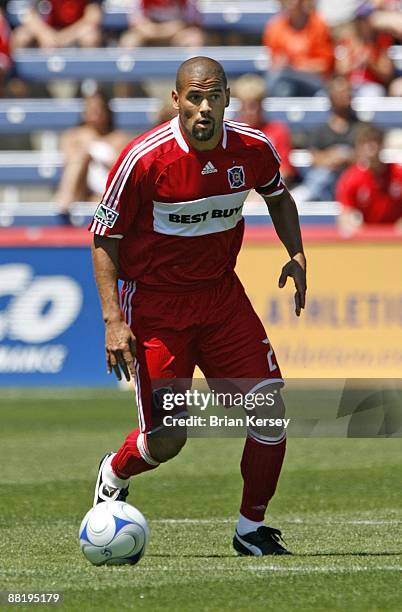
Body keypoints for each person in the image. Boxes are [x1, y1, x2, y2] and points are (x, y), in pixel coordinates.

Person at [89, 57, 307, 556]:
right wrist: (112, 320)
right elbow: (105, 237)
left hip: (221, 297)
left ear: (228, 98)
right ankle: (115, 468)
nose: (204, 107)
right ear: (176, 100)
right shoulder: (144, 159)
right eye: (194, 97)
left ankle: (250, 529)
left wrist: (295, 254)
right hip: (156, 306)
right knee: (167, 441)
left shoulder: (253, 148)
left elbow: (278, 196)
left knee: (269, 412)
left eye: (213, 96)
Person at [55, 90, 129, 223]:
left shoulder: (119, 138)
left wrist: (100, 158)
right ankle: (65, 200)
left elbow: (123, 171)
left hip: (107, 193)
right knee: (80, 157)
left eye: (98, 108)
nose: (95, 112)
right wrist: (87, 154)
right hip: (81, 189)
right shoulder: (73, 136)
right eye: (90, 108)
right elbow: (68, 161)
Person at [292, 76, 360, 202]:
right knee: (321, 176)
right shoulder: (319, 130)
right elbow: (314, 158)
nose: (347, 95)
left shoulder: (361, 128)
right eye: (342, 92)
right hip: (326, 179)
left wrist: (345, 156)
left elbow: (365, 156)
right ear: (331, 97)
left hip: (352, 179)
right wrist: (331, 158)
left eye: (348, 91)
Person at [233, 73, 298, 187]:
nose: (251, 111)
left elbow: (285, 171)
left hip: (270, 190)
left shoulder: (277, 130)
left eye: (255, 105)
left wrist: (261, 192)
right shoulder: (230, 131)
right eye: (246, 106)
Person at [336, 123, 402, 233]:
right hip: (366, 241)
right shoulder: (351, 177)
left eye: (375, 142)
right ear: (359, 147)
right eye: (365, 143)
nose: (370, 148)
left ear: (382, 145)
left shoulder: (398, 173)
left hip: (396, 238)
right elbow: (346, 215)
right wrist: (362, 234)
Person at [263, 0, 334, 97]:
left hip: (314, 81)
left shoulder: (318, 24)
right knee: (282, 87)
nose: (292, 2)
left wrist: (296, 66)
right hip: (287, 79)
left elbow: (325, 66)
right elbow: (276, 64)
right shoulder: (275, 27)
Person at [334, 4, 395, 97]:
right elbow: (340, 70)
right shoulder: (346, 42)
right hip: (350, 86)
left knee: (372, 93)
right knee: (338, 92)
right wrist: (355, 62)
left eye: (366, 19)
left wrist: (370, 62)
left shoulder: (383, 41)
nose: (364, 23)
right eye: (360, 19)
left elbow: (387, 75)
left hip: (371, 86)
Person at [12, 0, 102, 49]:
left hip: (75, 32)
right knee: (21, 37)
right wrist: (45, 34)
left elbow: (92, 18)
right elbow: (29, 15)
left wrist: (63, 38)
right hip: (48, 31)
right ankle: (17, 82)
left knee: (90, 37)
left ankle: (88, 81)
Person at [119, 0, 204, 48]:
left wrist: (163, 30)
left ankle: (190, 78)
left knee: (194, 39)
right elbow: (137, 24)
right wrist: (160, 31)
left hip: (178, 34)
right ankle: (125, 78)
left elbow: (190, 23)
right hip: (148, 34)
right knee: (129, 41)